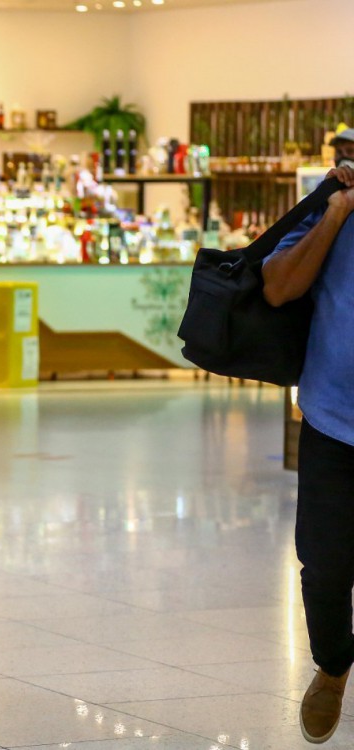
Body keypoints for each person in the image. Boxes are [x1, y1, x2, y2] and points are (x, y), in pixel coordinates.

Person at [262, 126, 354, 744]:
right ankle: (332, 665)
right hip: (334, 418)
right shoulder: (332, 206)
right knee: (323, 564)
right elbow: (278, 286)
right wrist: (337, 213)